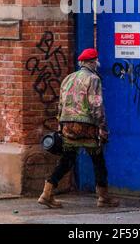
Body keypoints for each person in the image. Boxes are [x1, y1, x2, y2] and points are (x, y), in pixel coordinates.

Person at [38, 48, 119, 209]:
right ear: (93, 62)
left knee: (67, 160)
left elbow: (60, 105)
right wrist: (102, 127)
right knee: (98, 161)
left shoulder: (68, 78)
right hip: (87, 128)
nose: (97, 63)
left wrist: (60, 125)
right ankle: (103, 197)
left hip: (68, 126)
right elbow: (96, 105)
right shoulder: (93, 79)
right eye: (96, 61)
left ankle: (47, 193)